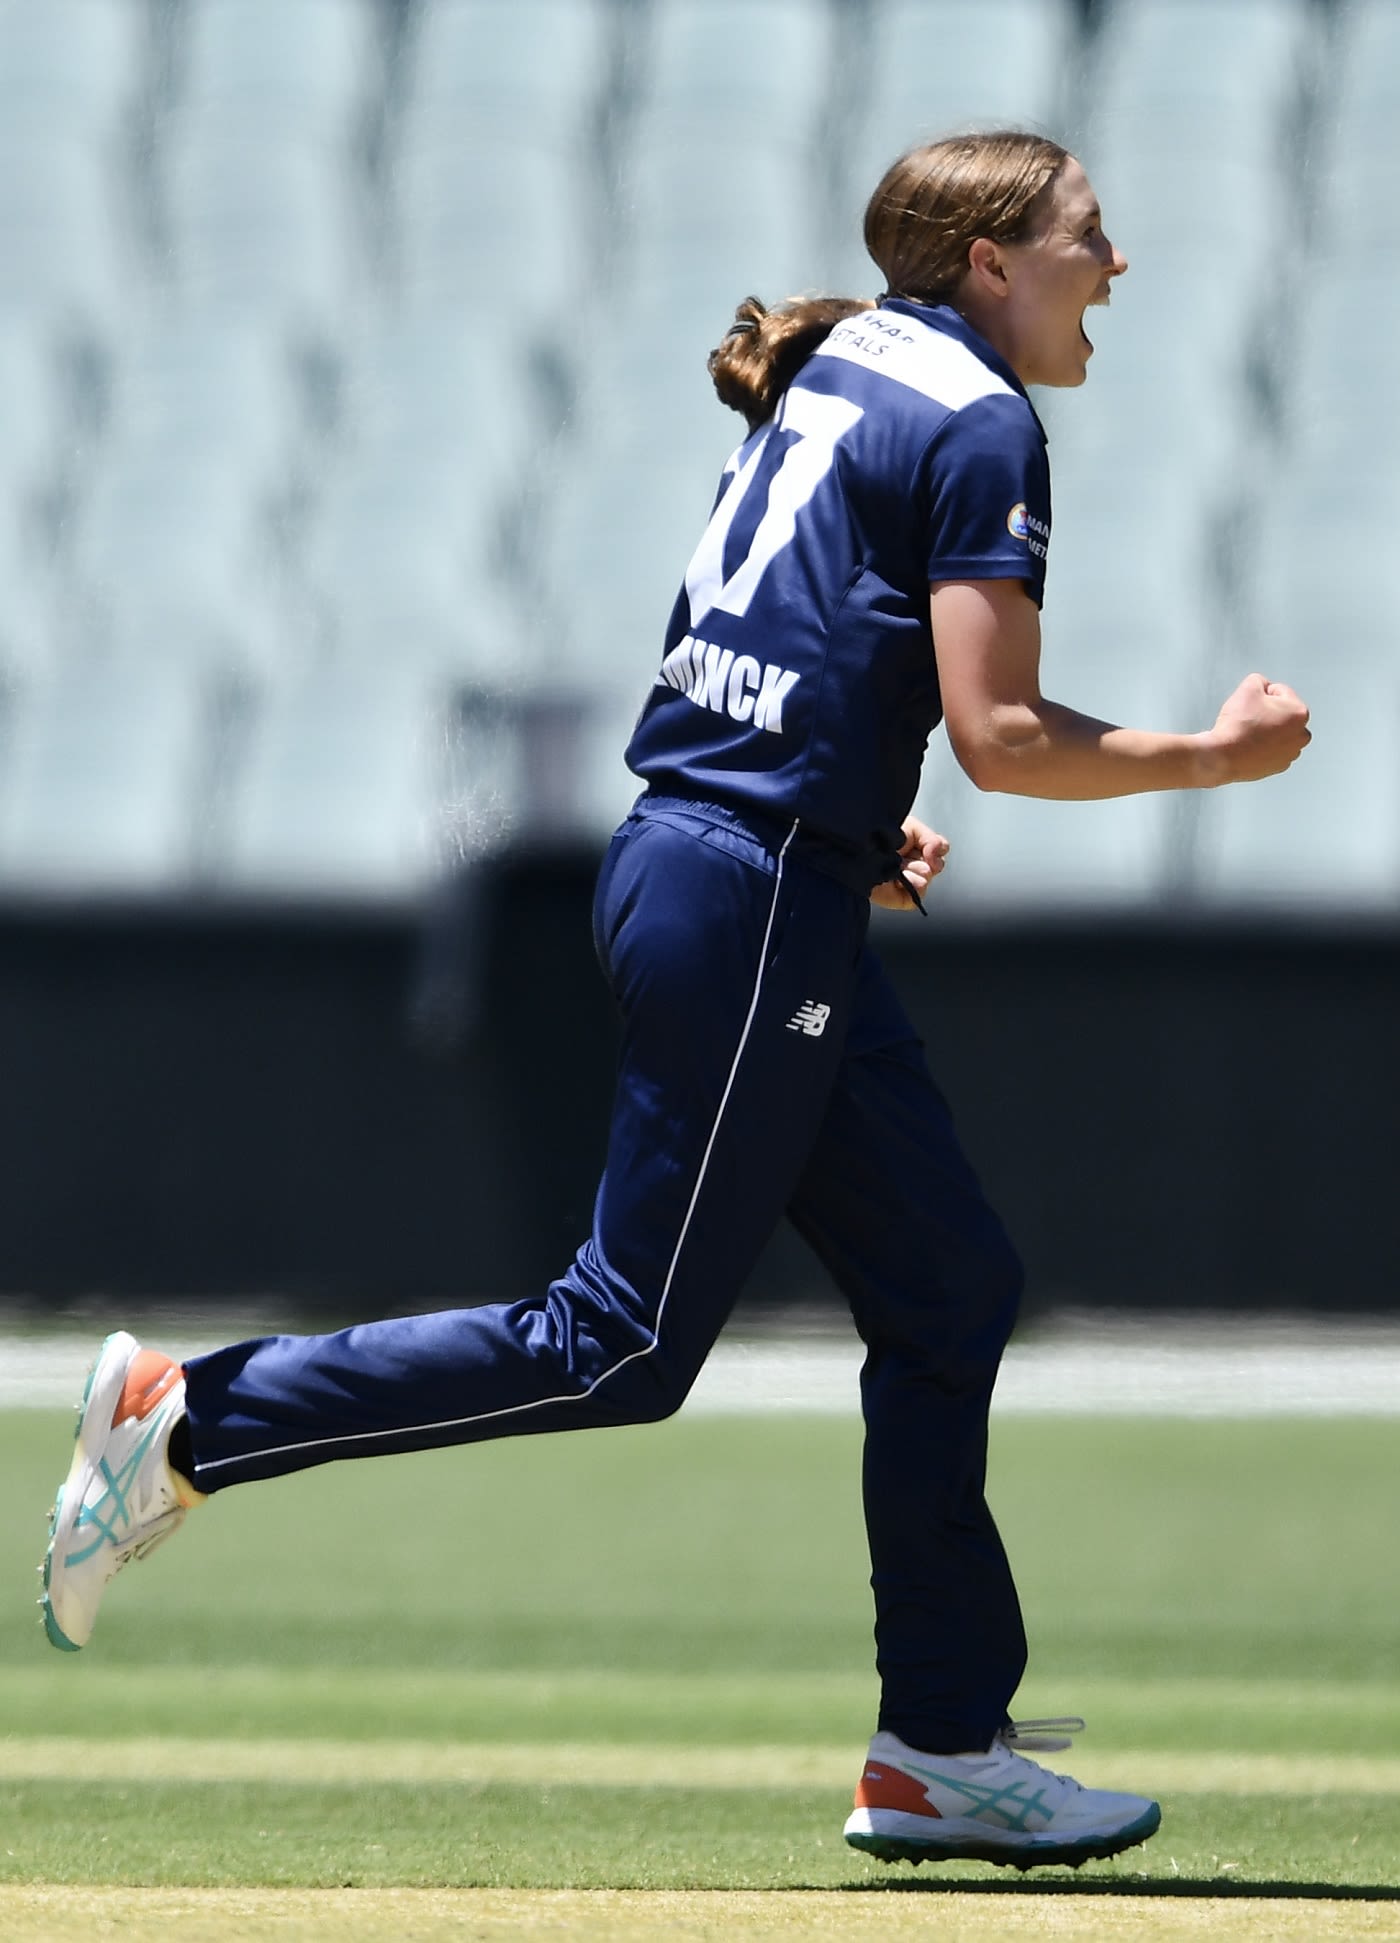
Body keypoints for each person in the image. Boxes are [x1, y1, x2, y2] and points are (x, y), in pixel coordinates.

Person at [40, 131, 1310, 1871]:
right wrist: (1216, 758)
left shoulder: (853, 356)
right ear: (992, 263)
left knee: (950, 1288)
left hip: (742, 865)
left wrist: (836, 819)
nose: (1120, 263)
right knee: (621, 1341)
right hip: (748, 892)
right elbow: (1008, 740)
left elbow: (788, 631)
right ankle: (192, 1419)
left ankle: (942, 1747)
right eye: (1090, 235)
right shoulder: (983, 416)